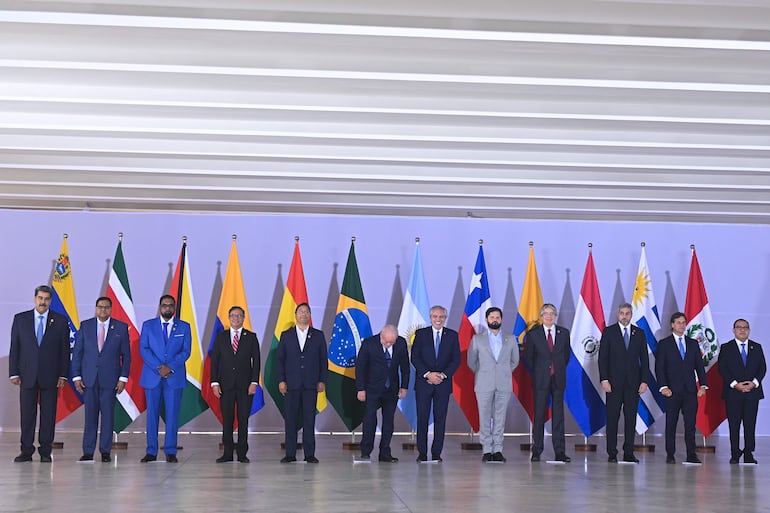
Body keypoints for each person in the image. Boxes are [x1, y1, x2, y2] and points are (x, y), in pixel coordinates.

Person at [8, 285, 70, 462]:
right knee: (27, 416)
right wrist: (14, 372)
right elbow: (15, 348)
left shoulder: (60, 320)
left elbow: (64, 351)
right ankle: (26, 451)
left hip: (51, 377)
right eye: (40, 298)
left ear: (50, 301)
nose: (43, 302)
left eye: (46, 299)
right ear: (35, 299)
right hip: (26, 376)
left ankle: (45, 452)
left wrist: (63, 375)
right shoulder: (21, 319)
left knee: (48, 416)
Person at [71, 297, 131, 462]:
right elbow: (78, 353)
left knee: (107, 417)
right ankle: (88, 451)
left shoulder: (120, 327)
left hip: (110, 380)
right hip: (89, 379)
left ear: (111, 309)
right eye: (100, 307)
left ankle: (105, 451)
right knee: (90, 417)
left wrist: (123, 378)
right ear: (95, 308)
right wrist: (76, 376)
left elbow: (126, 356)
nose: (103, 310)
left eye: (106, 307)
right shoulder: (86, 326)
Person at [138, 295, 192, 463]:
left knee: (172, 415)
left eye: (170, 306)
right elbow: (144, 349)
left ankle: (170, 450)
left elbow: (186, 351)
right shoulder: (148, 325)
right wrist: (159, 367)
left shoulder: (184, 327)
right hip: (153, 376)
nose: (167, 308)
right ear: (159, 307)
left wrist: (170, 367)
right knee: (152, 415)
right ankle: (151, 451)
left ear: (174, 308)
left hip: (173, 377)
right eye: (164, 305)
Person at [598, 302, 649, 463]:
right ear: (618, 314)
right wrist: (604, 379)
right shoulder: (609, 332)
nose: (624, 316)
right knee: (612, 419)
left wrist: (644, 380)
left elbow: (645, 360)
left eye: (627, 313)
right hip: (613, 384)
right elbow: (602, 358)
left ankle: (629, 452)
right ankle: (612, 453)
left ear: (631, 315)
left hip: (633, 384)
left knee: (630, 419)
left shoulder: (639, 333)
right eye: (622, 313)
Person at [277, 302, 327, 463]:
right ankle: (290, 453)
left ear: (310, 316)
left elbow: (322, 361)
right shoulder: (286, 335)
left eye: (306, 312)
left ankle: (309, 454)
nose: (303, 314)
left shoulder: (318, 335)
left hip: (311, 385)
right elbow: (280, 361)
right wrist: (281, 381)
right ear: (295, 315)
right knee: (290, 420)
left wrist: (322, 380)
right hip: (291, 384)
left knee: (309, 420)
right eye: (301, 312)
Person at [467, 307, 519, 463]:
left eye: (497, 317)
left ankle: (497, 449)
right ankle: (486, 450)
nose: (495, 319)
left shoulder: (510, 338)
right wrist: (485, 373)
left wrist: (502, 372)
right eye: (492, 317)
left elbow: (514, 361)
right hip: (484, 383)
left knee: (500, 418)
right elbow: (472, 362)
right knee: (484, 417)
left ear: (501, 320)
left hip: (503, 384)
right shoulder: (478, 339)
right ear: (486, 320)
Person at [210, 306, 261, 463]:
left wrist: (254, 382)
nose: (236, 318)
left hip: (245, 386)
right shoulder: (221, 337)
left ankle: (242, 453)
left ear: (244, 317)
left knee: (243, 419)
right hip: (225, 385)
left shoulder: (251, 337)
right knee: (227, 419)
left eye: (239, 315)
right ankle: (227, 453)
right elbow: (215, 362)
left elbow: (257, 362)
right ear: (228, 318)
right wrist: (214, 383)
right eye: (233, 315)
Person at [655, 311, 707, 464]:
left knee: (690, 425)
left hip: (690, 391)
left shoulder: (693, 343)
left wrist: (703, 385)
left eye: (684, 322)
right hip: (671, 391)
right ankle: (670, 454)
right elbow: (660, 368)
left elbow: (699, 367)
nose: (681, 325)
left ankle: (691, 454)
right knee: (671, 423)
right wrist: (663, 387)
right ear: (672, 325)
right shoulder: (664, 344)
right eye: (678, 322)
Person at [411, 305, 460, 463]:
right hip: (424, 383)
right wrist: (428, 374)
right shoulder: (421, 334)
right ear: (430, 317)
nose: (438, 319)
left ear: (445, 318)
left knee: (440, 419)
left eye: (441, 317)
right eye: (435, 316)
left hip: (443, 384)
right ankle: (422, 453)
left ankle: (437, 453)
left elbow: (456, 360)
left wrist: (442, 375)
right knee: (422, 418)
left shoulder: (452, 335)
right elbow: (415, 357)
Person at [355, 324, 410, 462]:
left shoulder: (401, 343)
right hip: (372, 389)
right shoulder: (369, 343)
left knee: (388, 422)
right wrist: (360, 389)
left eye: (392, 342)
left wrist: (404, 387)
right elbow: (360, 367)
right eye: (386, 341)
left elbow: (405, 367)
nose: (388, 344)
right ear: (381, 336)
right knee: (369, 420)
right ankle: (366, 451)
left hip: (391, 390)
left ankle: (385, 453)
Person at [524, 303, 571, 463]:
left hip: (558, 380)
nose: (549, 316)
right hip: (541, 379)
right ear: (541, 316)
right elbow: (529, 357)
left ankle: (560, 451)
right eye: (546, 313)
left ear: (555, 316)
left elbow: (566, 356)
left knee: (559, 416)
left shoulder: (563, 333)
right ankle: (537, 450)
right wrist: (542, 369)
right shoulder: (533, 334)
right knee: (539, 415)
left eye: (552, 313)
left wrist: (556, 368)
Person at [718, 319, 766, 464]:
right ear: (733, 330)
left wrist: (754, 383)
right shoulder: (727, 347)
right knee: (734, 424)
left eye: (745, 327)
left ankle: (749, 453)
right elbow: (722, 369)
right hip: (733, 393)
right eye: (739, 327)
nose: (742, 330)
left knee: (750, 425)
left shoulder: (756, 347)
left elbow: (762, 368)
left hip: (753, 393)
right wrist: (735, 384)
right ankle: (734, 453)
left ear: (749, 330)